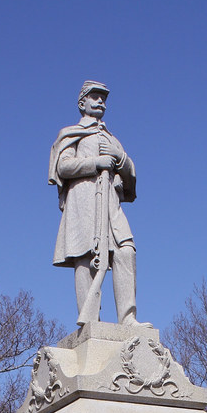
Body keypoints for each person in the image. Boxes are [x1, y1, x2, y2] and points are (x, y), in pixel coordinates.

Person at [49, 80, 148, 326]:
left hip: (111, 202)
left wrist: (120, 158)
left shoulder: (112, 139)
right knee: (85, 257)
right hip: (83, 201)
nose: (101, 101)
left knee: (126, 250)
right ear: (82, 103)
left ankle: (128, 318)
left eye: (103, 98)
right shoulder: (71, 133)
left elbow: (131, 180)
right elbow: (62, 167)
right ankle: (91, 320)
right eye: (95, 97)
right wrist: (96, 163)